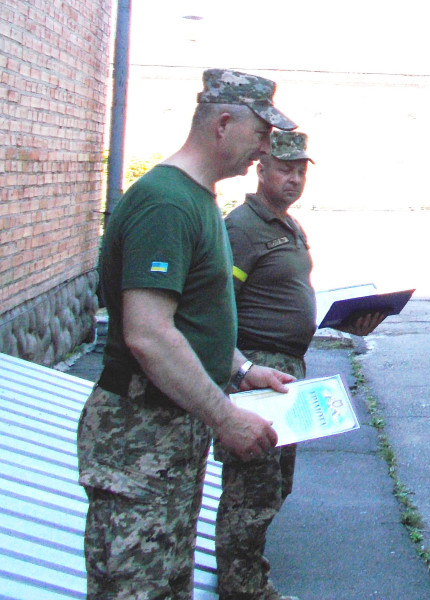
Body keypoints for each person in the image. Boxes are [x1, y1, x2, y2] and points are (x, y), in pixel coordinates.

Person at [76, 68, 294, 598]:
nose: (265, 150)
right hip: (140, 437)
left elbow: (191, 320)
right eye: (261, 134)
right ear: (223, 123)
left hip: (170, 433)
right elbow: (148, 334)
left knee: (169, 582)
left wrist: (240, 369)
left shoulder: (196, 198)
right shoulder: (167, 202)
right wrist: (224, 417)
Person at [218, 131, 383, 600]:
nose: (293, 178)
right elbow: (216, 309)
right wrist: (240, 369)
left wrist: (348, 322)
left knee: (274, 487)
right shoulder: (243, 228)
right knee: (250, 491)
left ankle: (244, 579)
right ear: (261, 169)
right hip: (257, 374)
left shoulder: (285, 225)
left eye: (300, 171)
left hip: (287, 370)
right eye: (284, 168)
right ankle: (242, 588)